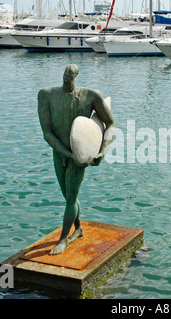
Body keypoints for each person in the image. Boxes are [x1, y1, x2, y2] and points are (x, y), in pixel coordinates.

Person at [38, 64, 115, 255]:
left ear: (75, 77)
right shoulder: (46, 95)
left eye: (70, 75)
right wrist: (66, 154)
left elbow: (111, 123)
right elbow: (47, 133)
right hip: (60, 153)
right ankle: (78, 229)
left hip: (79, 155)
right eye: (65, 74)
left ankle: (63, 239)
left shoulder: (91, 96)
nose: (67, 77)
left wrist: (102, 150)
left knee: (71, 198)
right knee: (67, 196)